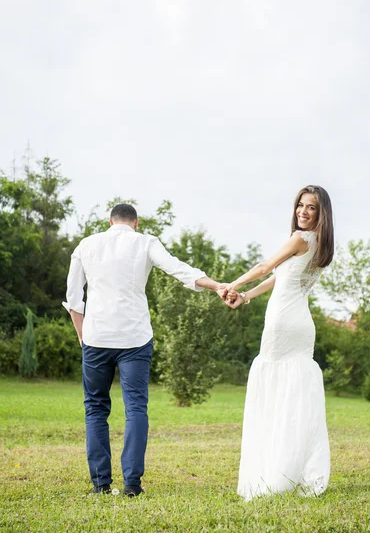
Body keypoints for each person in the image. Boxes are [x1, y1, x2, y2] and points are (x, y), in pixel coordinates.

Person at [63, 203, 226, 496]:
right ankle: (132, 485)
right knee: (136, 408)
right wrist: (216, 286)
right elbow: (180, 270)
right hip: (135, 339)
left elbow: (74, 297)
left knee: (95, 409)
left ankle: (101, 484)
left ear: (110, 221)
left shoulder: (86, 245)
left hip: (96, 337)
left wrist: (82, 335)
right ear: (136, 223)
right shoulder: (146, 243)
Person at [223, 185, 334, 499]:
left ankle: (278, 468)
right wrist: (245, 296)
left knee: (277, 393)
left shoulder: (300, 238)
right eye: (300, 205)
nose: (302, 211)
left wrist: (230, 285)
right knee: (292, 397)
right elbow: (277, 278)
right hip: (300, 322)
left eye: (311, 207)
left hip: (284, 322)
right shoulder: (318, 244)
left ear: (321, 212)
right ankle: (292, 467)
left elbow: (264, 268)